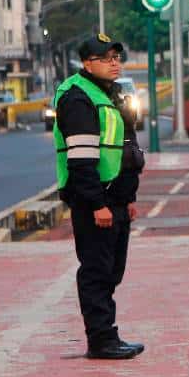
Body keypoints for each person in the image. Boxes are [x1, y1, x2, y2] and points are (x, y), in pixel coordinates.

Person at [53, 34, 145, 360]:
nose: (115, 62)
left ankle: (108, 335)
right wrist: (97, 204)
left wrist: (128, 197)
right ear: (87, 63)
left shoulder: (113, 94)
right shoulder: (78, 99)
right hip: (97, 203)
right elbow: (81, 160)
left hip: (117, 200)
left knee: (112, 271)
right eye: (106, 58)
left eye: (117, 57)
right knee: (96, 271)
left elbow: (126, 150)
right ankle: (101, 340)